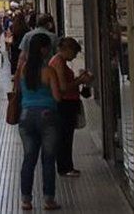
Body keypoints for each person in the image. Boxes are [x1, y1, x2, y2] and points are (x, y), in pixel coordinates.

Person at [17, 33, 63, 210]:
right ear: (44, 50)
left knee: (29, 158)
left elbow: (18, 91)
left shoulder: (23, 68)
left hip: (26, 116)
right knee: (48, 159)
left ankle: (26, 199)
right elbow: (57, 97)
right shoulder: (49, 71)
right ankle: (48, 199)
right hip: (47, 116)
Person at [51, 37, 93, 177]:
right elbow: (63, 87)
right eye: (74, 52)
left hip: (67, 102)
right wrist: (80, 80)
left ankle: (66, 165)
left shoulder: (60, 61)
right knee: (65, 136)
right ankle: (65, 166)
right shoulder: (59, 62)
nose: (75, 56)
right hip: (64, 103)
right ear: (67, 50)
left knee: (66, 136)